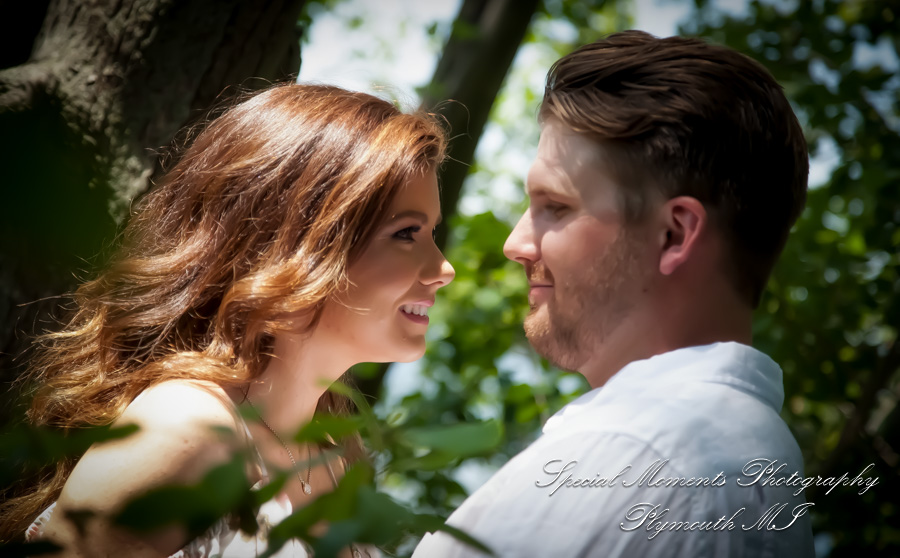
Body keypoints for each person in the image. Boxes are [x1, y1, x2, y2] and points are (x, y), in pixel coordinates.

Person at [1, 83, 455, 557]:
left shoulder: (335, 453)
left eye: (431, 233)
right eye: (407, 233)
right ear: (294, 242)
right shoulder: (182, 431)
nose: (444, 269)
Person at [414, 30, 815, 557]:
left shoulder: (633, 456)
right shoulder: (754, 455)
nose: (516, 243)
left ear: (673, 234)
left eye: (554, 206)